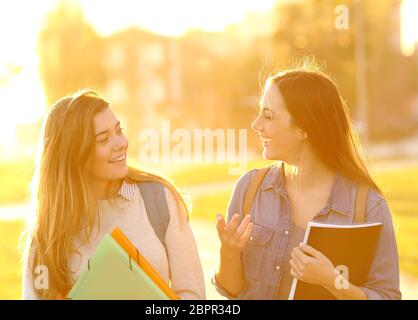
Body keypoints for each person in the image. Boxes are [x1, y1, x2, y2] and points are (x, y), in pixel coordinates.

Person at [213, 68, 401, 300]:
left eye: (269, 116)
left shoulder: (368, 206)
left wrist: (333, 281)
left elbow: (387, 295)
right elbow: (233, 292)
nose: (256, 124)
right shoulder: (250, 188)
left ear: (304, 128)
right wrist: (229, 254)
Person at [21, 90, 205, 299]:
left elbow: (193, 295)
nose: (121, 143)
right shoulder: (47, 233)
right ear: (75, 154)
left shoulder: (159, 199)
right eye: (103, 139)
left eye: (119, 130)